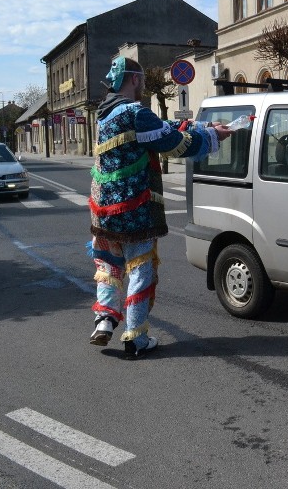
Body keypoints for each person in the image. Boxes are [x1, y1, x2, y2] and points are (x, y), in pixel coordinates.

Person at [88, 56, 232, 358]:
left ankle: (104, 320)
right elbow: (173, 141)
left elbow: (160, 125)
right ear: (136, 80)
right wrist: (211, 135)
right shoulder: (135, 113)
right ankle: (135, 337)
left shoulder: (104, 115)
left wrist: (199, 123)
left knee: (109, 265)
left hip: (102, 210)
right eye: (141, 81)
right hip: (134, 209)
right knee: (141, 269)